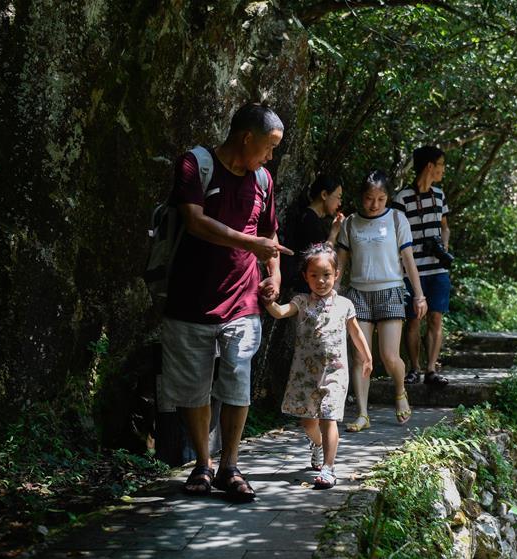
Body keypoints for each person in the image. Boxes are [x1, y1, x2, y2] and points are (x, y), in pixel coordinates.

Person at [162, 103, 293, 501]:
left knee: (237, 382)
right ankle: (203, 465)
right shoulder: (195, 165)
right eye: (268, 147)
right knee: (193, 387)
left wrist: (274, 276)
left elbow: (270, 237)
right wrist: (249, 242)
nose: (271, 157)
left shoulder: (263, 181)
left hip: (243, 300)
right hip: (189, 297)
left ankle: (230, 466)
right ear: (246, 137)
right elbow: (194, 221)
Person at [263, 243, 372, 488]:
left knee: (329, 417)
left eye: (326, 275)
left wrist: (367, 357)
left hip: (335, 373)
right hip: (304, 374)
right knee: (308, 421)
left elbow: (355, 333)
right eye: (314, 275)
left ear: (336, 275)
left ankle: (329, 468)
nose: (321, 280)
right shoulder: (301, 301)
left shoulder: (345, 305)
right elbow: (280, 312)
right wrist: (269, 301)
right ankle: (317, 445)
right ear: (306, 276)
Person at [336, 170, 427, 432]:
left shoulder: (397, 219)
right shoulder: (350, 223)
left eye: (380, 198)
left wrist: (419, 296)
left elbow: (409, 261)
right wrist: (333, 294)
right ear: (360, 197)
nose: (374, 204)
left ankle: (399, 391)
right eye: (368, 198)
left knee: (389, 356)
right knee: (359, 357)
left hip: (390, 291)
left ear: (387, 197)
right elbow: (340, 263)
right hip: (358, 294)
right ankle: (363, 413)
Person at [392, 146, 451, 387]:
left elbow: (445, 226)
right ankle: (414, 368)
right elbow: (395, 234)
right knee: (414, 319)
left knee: (436, 318)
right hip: (412, 269)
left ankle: (431, 370)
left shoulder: (439, 195)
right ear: (429, 165)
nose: (442, 170)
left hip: (437, 269)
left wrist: (443, 248)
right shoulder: (402, 198)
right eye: (441, 165)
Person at [288, 174, 344, 292]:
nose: (339, 203)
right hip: (304, 288)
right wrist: (334, 232)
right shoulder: (310, 220)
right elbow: (322, 257)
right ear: (324, 195)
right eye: (338, 197)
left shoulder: (308, 217)